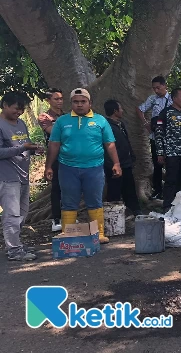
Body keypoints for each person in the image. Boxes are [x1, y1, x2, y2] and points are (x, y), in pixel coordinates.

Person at [44, 88, 122, 244]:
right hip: (67, 168)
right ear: (71, 103)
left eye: (83, 102)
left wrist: (116, 163)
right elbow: (54, 144)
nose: (79, 105)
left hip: (94, 168)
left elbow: (110, 144)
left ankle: (98, 234)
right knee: (68, 202)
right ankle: (68, 234)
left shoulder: (100, 121)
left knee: (94, 200)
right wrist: (49, 166)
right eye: (76, 102)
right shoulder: (62, 121)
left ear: (90, 103)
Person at [137, 76, 181, 200]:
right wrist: (146, 124)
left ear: (165, 86)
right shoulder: (154, 100)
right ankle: (159, 192)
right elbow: (140, 109)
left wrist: (179, 119)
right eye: (154, 88)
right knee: (158, 165)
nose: (156, 90)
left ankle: (179, 199)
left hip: (179, 145)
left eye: (158, 87)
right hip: (158, 137)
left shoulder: (175, 99)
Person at [0, 92, 41, 261]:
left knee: (22, 213)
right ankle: (14, 251)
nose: (19, 112)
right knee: (12, 215)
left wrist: (33, 149)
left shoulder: (21, 123)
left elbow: (24, 145)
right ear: (5, 105)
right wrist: (21, 148)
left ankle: (16, 244)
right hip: (7, 177)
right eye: (16, 109)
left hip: (23, 176)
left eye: (22, 109)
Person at [155, 87, 181, 212]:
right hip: (172, 153)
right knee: (171, 180)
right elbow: (159, 134)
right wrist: (160, 153)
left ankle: (179, 206)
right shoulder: (165, 113)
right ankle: (167, 206)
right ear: (174, 98)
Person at [103, 99, 142, 216]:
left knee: (130, 187)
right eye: (120, 108)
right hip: (114, 164)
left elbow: (126, 141)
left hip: (126, 162)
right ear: (115, 111)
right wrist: (113, 164)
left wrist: (132, 155)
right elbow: (108, 146)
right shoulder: (107, 126)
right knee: (114, 189)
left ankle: (134, 209)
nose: (122, 111)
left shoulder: (121, 124)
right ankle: (112, 214)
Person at [37, 88, 65, 231]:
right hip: (55, 157)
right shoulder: (45, 117)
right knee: (57, 188)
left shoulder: (67, 116)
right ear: (48, 100)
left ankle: (69, 216)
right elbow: (53, 132)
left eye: (61, 99)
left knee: (70, 187)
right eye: (56, 99)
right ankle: (56, 219)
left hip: (70, 156)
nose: (59, 101)